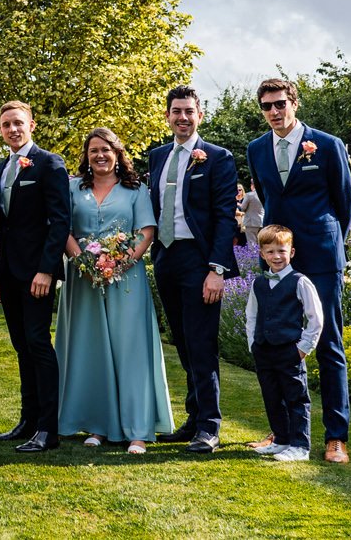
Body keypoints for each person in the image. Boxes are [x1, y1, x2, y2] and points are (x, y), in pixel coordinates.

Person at [246, 77, 351, 463]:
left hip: (321, 256)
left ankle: (336, 437)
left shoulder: (327, 145)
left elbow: (344, 203)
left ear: (294, 103)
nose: (274, 111)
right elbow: (267, 197)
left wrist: (332, 245)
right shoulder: (256, 149)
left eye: (280, 103)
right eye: (267, 106)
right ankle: (285, 432)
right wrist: (276, 253)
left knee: (328, 344)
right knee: (276, 344)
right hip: (278, 259)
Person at [55, 128, 171, 454]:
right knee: (90, 350)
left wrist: (118, 264)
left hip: (126, 280)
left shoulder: (136, 190)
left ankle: (138, 430)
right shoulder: (73, 188)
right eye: (93, 150)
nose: (100, 155)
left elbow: (145, 232)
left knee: (131, 350)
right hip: (83, 280)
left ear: (118, 153)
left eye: (106, 149)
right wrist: (83, 263)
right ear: (86, 155)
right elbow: (64, 229)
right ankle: (98, 425)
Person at [148, 84, 240, 454]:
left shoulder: (217, 157)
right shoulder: (157, 157)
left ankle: (209, 427)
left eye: (189, 111)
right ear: (167, 116)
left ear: (200, 115)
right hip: (166, 258)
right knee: (183, 343)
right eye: (176, 111)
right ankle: (193, 418)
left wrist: (217, 269)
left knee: (201, 344)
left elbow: (224, 217)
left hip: (200, 262)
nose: (183, 117)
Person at [0, 101, 72, 453]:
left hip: (37, 272)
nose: (13, 129)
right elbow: (3, 227)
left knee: (38, 343)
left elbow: (60, 221)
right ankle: (28, 420)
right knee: (21, 345)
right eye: (6, 124)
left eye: (18, 123)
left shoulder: (49, 163)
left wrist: (46, 270)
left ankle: (48, 430)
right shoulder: (0, 168)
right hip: (8, 273)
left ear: (32, 125)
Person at [246, 224, 324, 463]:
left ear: (291, 252)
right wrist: (253, 344)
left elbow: (315, 318)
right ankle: (281, 440)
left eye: (281, 251)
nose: (276, 256)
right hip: (264, 350)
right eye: (270, 252)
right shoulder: (258, 283)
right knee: (272, 396)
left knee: (296, 398)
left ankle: (300, 446)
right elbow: (251, 315)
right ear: (262, 254)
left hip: (290, 351)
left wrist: (304, 348)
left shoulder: (300, 282)